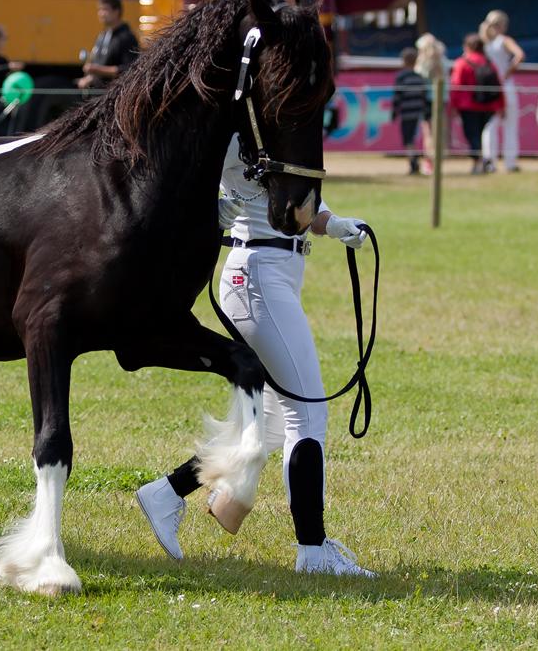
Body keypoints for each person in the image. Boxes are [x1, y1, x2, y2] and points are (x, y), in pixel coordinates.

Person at [135, 134, 377, 578]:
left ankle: (167, 493)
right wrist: (212, 209)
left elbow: (295, 206)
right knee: (307, 416)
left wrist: (334, 224)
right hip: (259, 277)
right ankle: (313, 550)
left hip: (274, 271)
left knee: (268, 422)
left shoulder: (274, 130)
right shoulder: (232, 138)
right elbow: (181, 185)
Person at [449, 33, 505, 175]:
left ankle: (479, 161)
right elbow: (498, 85)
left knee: (472, 135)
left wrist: (453, 106)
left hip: (468, 106)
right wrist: (501, 105)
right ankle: (483, 160)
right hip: (488, 106)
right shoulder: (489, 63)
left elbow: (456, 86)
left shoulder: (462, 63)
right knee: (480, 134)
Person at [479, 10, 526, 173]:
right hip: (505, 86)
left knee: (490, 125)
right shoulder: (503, 40)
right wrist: (508, 71)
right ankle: (510, 162)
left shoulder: (484, 43)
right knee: (510, 125)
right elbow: (520, 55)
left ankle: (489, 160)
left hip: (490, 88)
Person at [76, 0, 139, 90]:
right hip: (98, 96)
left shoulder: (127, 37)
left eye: (105, 9)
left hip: (115, 95)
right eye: (99, 10)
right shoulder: (103, 35)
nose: (101, 14)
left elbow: (130, 69)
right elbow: (101, 64)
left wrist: (97, 69)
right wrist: (89, 78)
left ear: (116, 12)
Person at [392, 47, 431, 175]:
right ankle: (414, 159)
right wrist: (426, 112)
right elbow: (424, 97)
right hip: (417, 112)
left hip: (407, 112)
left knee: (407, 138)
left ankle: (413, 161)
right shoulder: (419, 77)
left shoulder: (401, 77)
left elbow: (397, 96)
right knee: (412, 137)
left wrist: (394, 112)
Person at [414, 33, 448, 174]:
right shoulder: (443, 60)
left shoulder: (423, 62)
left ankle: (429, 162)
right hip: (442, 100)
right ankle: (437, 162)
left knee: (428, 133)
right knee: (438, 132)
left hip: (427, 100)